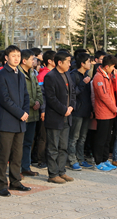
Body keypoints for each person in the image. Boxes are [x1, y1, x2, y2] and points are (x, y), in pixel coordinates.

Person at [0, 46, 32, 196]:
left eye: (18, 55)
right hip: (7, 121)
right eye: (13, 55)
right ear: (6, 57)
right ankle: (1, 185)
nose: (16, 58)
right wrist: (20, 113)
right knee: (3, 155)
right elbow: (4, 99)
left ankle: (15, 181)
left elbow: (26, 96)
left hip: (20, 121)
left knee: (17, 154)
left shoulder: (20, 74)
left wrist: (26, 112)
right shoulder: (1, 75)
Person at [44, 52, 75, 183]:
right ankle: (53, 174)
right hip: (55, 117)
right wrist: (64, 109)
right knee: (53, 148)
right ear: (59, 62)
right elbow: (51, 98)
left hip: (67, 116)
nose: (70, 64)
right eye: (68, 61)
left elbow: (72, 93)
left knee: (63, 146)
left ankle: (62, 171)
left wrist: (71, 107)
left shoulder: (67, 74)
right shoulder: (50, 76)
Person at [91, 55, 117, 171]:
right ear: (107, 66)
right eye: (112, 67)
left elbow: (115, 89)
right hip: (103, 112)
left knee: (107, 138)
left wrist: (115, 78)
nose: (113, 69)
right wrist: (115, 109)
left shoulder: (108, 76)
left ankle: (104, 159)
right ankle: (98, 162)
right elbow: (104, 96)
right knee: (101, 139)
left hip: (110, 112)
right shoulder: (98, 77)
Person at [19, 50, 43, 177]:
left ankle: (25, 167)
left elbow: (38, 89)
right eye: (32, 59)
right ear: (24, 61)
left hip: (33, 113)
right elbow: (21, 94)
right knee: (19, 143)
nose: (35, 61)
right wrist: (33, 102)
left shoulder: (32, 73)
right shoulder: (18, 73)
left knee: (28, 142)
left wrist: (39, 101)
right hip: (23, 113)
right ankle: (17, 169)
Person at [68, 52, 94, 170]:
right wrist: (83, 83)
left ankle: (81, 159)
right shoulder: (74, 75)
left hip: (86, 111)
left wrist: (91, 109)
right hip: (77, 111)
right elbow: (73, 93)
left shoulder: (86, 75)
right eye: (88, 61)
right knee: (74, 137)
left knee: (83, 137)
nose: (90, 63)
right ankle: (72, 160)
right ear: (82, 63)